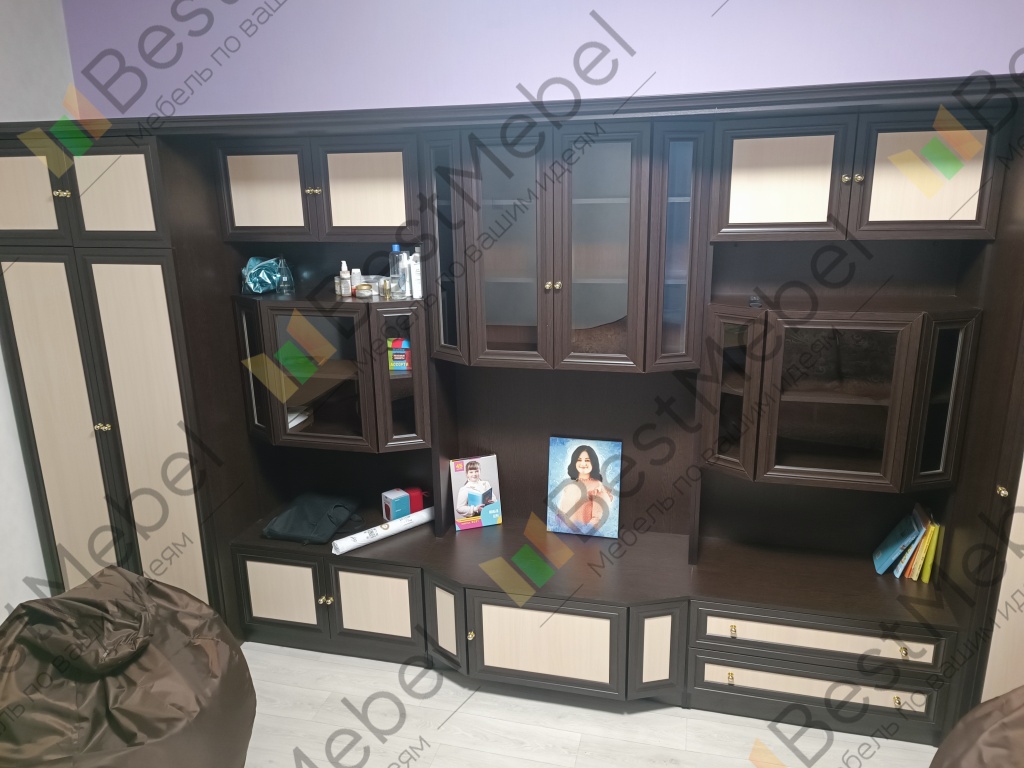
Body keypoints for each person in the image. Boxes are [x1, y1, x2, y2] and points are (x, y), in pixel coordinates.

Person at [557, 445, 614, 532]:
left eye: (587, 460)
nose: (583, 464)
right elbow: (561, 512)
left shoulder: (598, 487)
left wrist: (581, 534)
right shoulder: (569, 485)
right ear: (574, 462)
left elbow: (598, 519)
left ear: (593, 463)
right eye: (579, 460)